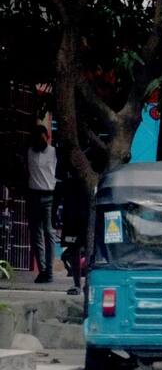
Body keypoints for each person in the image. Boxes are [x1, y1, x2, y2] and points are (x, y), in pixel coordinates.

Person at [26, 125, 57, 283]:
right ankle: (43, 270)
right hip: (33, 195)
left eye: (42, 137)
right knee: (36, 234)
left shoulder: (53, 152)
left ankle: (49, 272)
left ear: (48, 137)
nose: (40, 140)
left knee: (49, 233)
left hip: (48, 195)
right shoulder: (29, 151)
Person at [54, 164, 89, 295]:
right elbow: (58, 189)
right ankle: (77, 284)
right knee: (74, 250)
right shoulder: (67, 165)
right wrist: (54, 215)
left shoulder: (90, 172)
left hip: (86, 215)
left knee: (89, 249)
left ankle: (87, 284)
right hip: (71, 216)